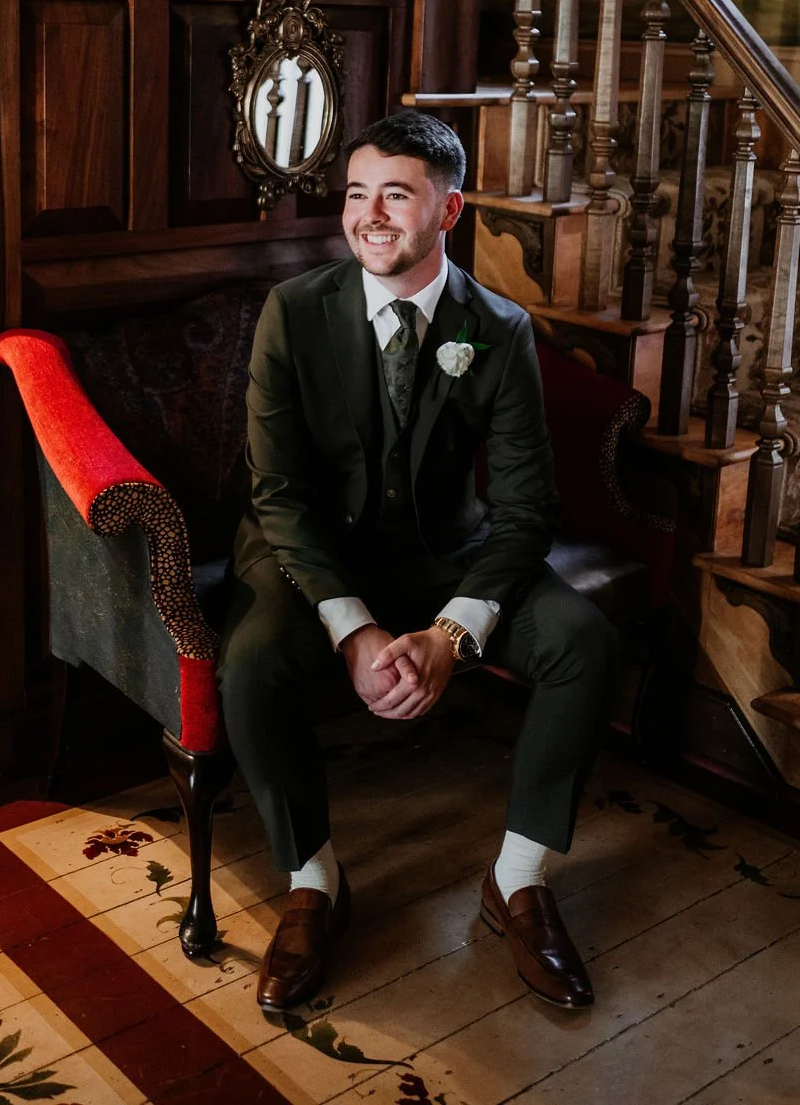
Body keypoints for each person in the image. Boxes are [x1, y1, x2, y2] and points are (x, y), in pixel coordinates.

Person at [218, 112, 618, 1014]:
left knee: (582, 642)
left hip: (452, 557)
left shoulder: (499, 327)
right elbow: (276, 494)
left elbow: (526, 509)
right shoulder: (295, 311)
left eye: (396, 194)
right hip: (313, 555)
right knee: (249, 664)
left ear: (450, 209)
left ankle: (518, 881)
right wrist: (353, 630)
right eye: (358, 194)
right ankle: (313, 880)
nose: (370, 216)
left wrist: (452, 632)